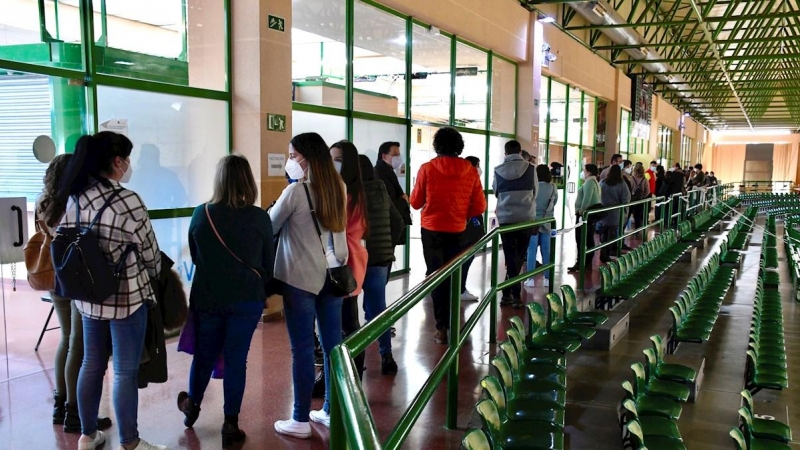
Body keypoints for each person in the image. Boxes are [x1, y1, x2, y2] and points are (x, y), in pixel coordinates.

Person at [56, 132, 165, 450]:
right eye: (127, 159)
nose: (129, 165)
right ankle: (130, 442)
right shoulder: (128, 200)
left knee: (91, 363)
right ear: (118, 162)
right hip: (126, 299)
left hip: (88, 298)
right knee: (124, 371)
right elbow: (150, 255)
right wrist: (156, 276)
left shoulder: (75, 197)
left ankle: (87, 435)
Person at [176, 155, 273, 448]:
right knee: (235, 360)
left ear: (218, 179)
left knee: (204, 356)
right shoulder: (259, 217)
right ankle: (230, 423)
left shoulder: (201, 214)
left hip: (208, 297)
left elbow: (195, 256)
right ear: (248, 181)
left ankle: (192, 409)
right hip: (246, 299)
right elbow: (268, 262)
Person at [271, 132, 348, 438]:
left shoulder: (296, 192)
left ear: (305, 157)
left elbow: (271, 224)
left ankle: (300, 418)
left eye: (292, 156)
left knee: (302, 349)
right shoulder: (338, 188)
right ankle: (328, 410)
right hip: (333, 276)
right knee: (332, 347)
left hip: (301, 278)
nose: (290, 162)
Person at [36, 154, 113, 434]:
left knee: (66, 340)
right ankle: (75, 412)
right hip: (78, 278)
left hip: (55, 278)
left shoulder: (43, 202)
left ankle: (60, 404)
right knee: (78, 347)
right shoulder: (74, 203)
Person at [409, 127, 486, 344]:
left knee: (435, 277)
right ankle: (454, 324)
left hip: (431, 232)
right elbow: (479, 206)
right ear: (459, 146)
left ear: (437, 145)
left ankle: (441, 327)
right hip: (458, 231)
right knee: (454, 276)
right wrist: (461, 214)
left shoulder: (427, 169)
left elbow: (415, 203)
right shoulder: (470, 170)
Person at [358, 154, 402, 373]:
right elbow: (398, 222)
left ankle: (356, 361)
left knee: (346, 313)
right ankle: (387, 356)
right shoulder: (382, 190)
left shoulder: (351, 193)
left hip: (356, 259)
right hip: (380, 259)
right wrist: (388, 245)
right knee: (379, 309)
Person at [493, 140, 538, 308]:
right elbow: (535, 191)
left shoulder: (497, 171)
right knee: (519, 256)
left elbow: (496, 192)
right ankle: (515, 295)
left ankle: (507, 293)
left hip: (506, 220)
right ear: (520, 152)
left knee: (511, 257)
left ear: (505, 154)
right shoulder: (531, 169)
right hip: (526, 218)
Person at [525, 164, 557, 288]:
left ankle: (530, 279)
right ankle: (547, 278)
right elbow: (554, 203)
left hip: (533, 221)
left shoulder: (533, 187)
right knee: (546, 250)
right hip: (547, 221)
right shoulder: (552, 187)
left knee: (531, 250)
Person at [375, 141, 412, 246]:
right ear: (384, 156)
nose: (398, 158)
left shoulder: (388, 171)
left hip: (391, 225)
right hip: (387, 226)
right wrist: (403, 200)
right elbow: (386, 201)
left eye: (399, 155)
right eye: (395, 155)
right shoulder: (380, 173)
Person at [568, 164, 602, 272]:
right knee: (588, 239)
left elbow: (586, 200)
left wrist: (581, 212)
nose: (583, 172)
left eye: (584, 170)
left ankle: (582, 263)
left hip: (585, 215)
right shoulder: (595, 182)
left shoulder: (589, 183)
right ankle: (585, 263)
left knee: (582, 239)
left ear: (588, 172)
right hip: (589, 214)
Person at [461, 156, 486, 301]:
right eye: (478, 165)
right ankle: (460, 289)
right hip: (469, 226)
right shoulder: (470, 182)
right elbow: (479, 204)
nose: (479, 169)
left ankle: (459, 288)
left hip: (465, 225)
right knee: (466, 256)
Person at [599, 165, 631, 262]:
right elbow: (626, 198)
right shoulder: (622, 184)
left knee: (604, 234)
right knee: (611, 235)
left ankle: (603, 253)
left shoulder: (603, 182)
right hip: (615, 214)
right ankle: (607, 253)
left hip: (603, 213)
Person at [629, 163, 652, 234]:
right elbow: (648, 191)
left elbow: (629, 189)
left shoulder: (631, 178)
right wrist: (643, 197)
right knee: (637, 216)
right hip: (640, 200)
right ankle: (637, 231)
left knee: (628, 214)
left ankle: (622, 231)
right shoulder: (645, 179)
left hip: (632, 200)